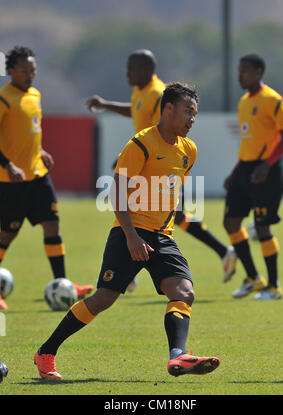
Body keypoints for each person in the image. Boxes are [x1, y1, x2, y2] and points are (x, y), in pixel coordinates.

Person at [34, 82, 220, 380]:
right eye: (188, 112)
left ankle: (178, 356)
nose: (192, 119)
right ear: (168, 109)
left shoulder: (189, 150)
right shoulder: (140, 144)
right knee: (103, 299)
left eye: (195, 114)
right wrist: (132, 236)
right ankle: (46, 352)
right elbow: (116, 193)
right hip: (128, 233)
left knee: (184, 291)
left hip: (162, 237)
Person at [86, 49, 237, 291]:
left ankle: (129, 268)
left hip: (160, 163)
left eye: (131, 68)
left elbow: (159, 130)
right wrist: (106, 105)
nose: (127, 73)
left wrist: (135, 154)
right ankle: (222, 251)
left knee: (148, 213)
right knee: (164, 214)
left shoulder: (158, 93)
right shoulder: (140, 92)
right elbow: (135, 110)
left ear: (145, 70)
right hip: (147, 160)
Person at [0, 46, 93, 310]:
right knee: (7, 233)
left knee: (52, 226)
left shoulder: (35, 94)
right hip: (11, 180)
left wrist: (40, 151)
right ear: (9, 71)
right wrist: (8, 166)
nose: (30, 75)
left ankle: (63, 283)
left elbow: (28, 132)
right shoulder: (4, 98)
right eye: (24, 70)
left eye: (33, 70)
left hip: (38, 175)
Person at [223, 54, 283, 300]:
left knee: (262, 226)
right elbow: (249, 143)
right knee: (231, 222)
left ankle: (273, 286)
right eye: (238, 70)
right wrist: (234, 173)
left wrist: (266, 165)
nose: (239, 75)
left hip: (267, 173)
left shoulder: (272, 100)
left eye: (244, 71)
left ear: (259, 72)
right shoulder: (243, 102)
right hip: (244, 169)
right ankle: (254, 278)